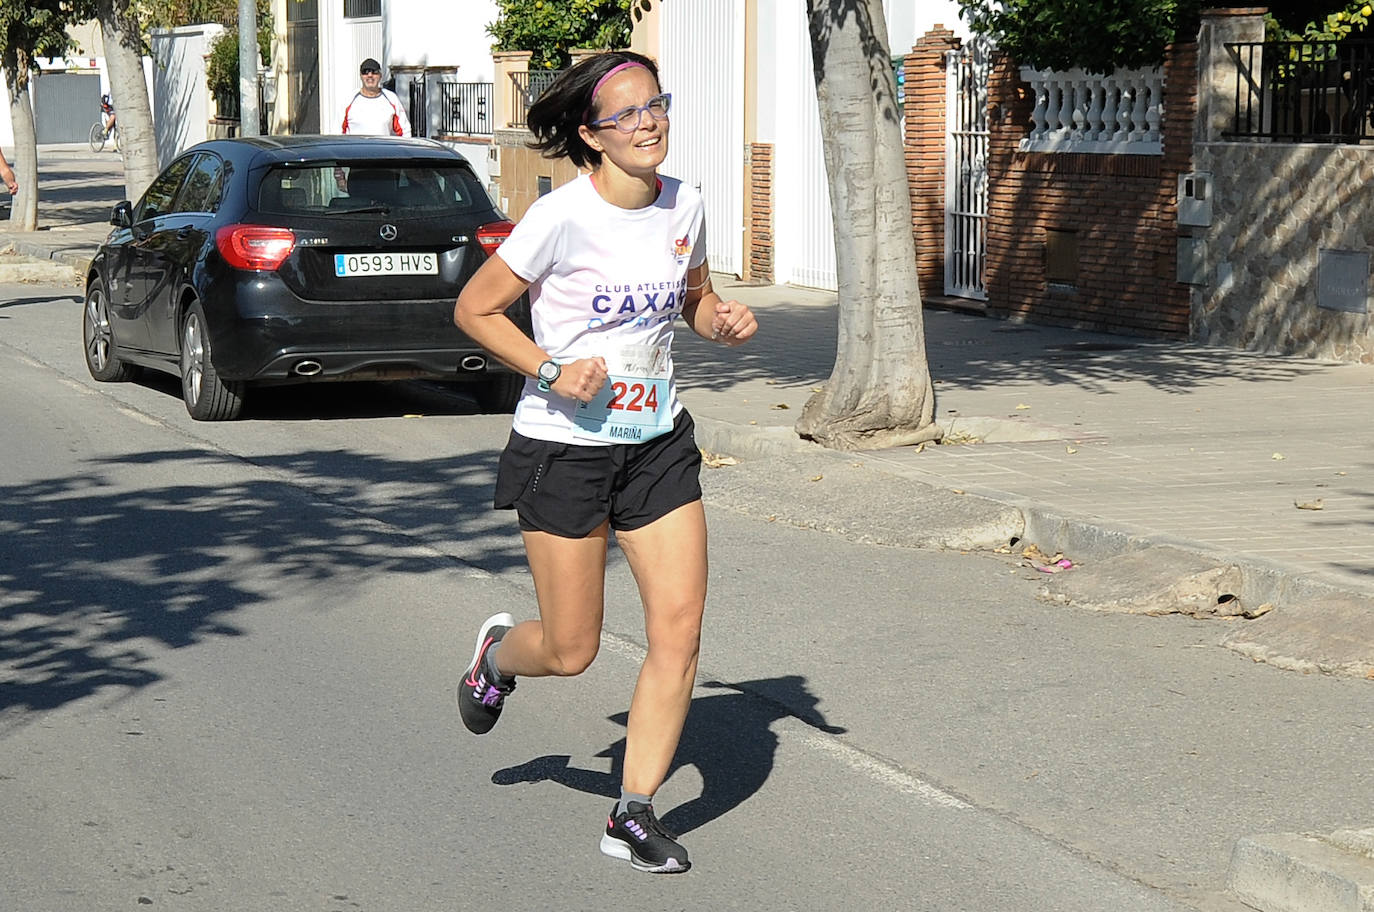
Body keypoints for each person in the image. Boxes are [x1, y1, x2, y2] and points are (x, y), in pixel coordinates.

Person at [452, 50, 757, 875]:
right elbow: (473, 309)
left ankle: (631, 812)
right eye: (625, 114)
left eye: (654, 104)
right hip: (565, 448)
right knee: (572, 648)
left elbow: (689, 296)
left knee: (679, 629)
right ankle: (495, 658)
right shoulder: (561, 216)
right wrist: (551, 368)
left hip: (658, 438)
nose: (648, 122)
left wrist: (717, 318)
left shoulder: (686, 203)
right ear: (590, 135)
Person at [340, 58, 411, 136]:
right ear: (360, 76)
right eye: (365, 72)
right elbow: (337, 133)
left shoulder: (391, 99)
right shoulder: (349, 99)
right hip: (354, 148)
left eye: (374, 72)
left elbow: (405, 131)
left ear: (380, 76)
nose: (370, 75)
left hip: (384, 147)